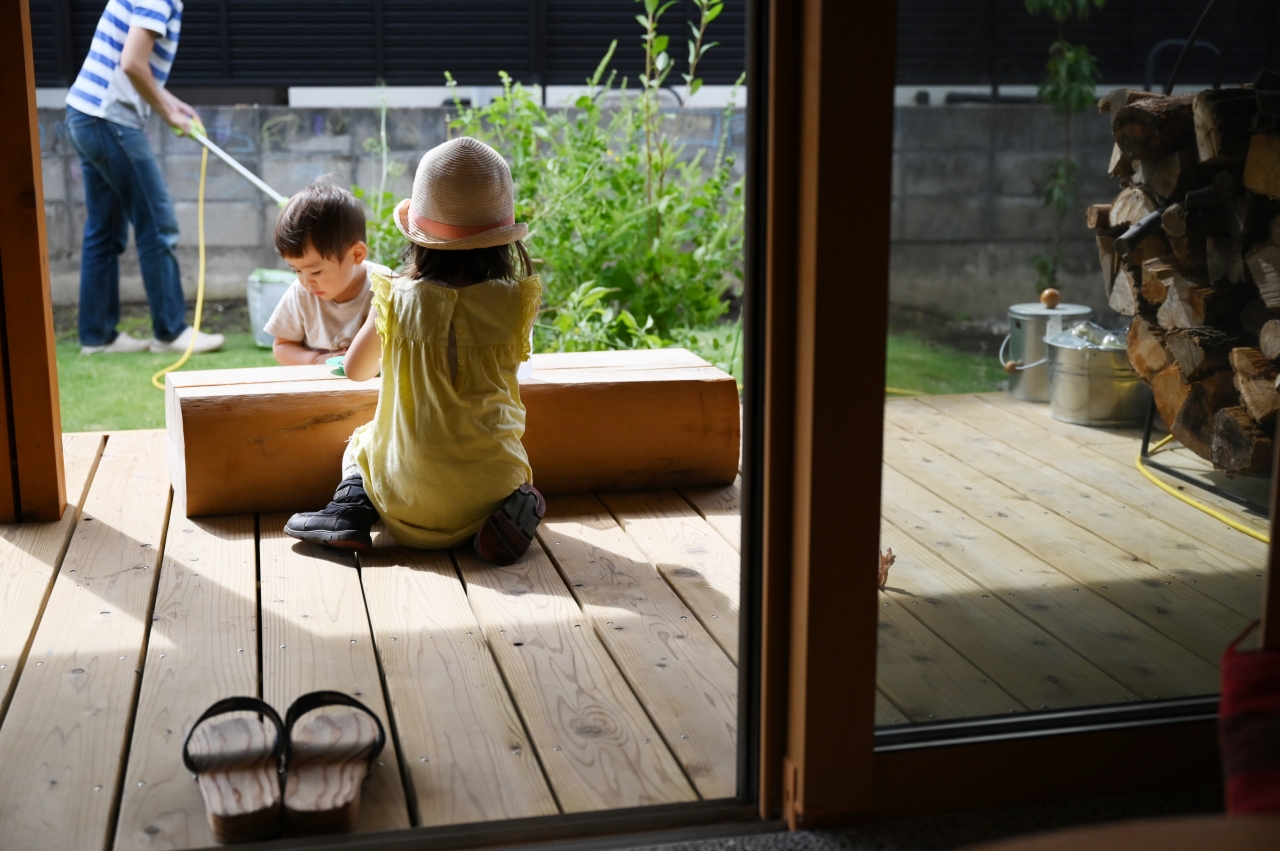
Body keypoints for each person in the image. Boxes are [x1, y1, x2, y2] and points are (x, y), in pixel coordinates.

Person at [284, 137, 546, 566]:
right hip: (489, 500)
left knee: (362, 442)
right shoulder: (520, 302)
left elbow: (356, 370)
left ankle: (348, 514)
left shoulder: (395, 298)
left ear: (419, 238)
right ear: (503, 238)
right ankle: (514, 517)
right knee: (510, 468)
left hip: (401, 503)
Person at [65, 0, 224, 356]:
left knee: (103, 231)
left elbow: (130, 63)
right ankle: (170, 332)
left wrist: (171, 101)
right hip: (110, 119)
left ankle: (97, 336)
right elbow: (133, 63)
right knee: (157, 223)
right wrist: (167, 113)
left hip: (85, 114)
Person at [265, 183, 391, 365]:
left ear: (356, 254)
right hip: (319, 388)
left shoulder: (385, 287)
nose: (306, 281)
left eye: (316, 271)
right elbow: (283, 346)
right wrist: (315, 359)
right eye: (297, 270)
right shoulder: (300, 293)